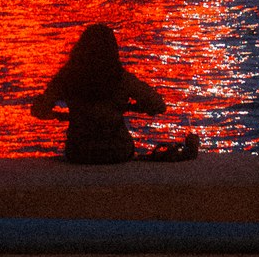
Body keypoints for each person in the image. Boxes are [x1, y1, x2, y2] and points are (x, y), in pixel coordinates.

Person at [31, 23, 200, 164]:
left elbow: (39, 110)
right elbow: (158, 105)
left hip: (79, 152)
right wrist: (128, 107)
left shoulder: (66, 78)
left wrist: (64, 115)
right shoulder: (121, 79)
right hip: (117, 151)